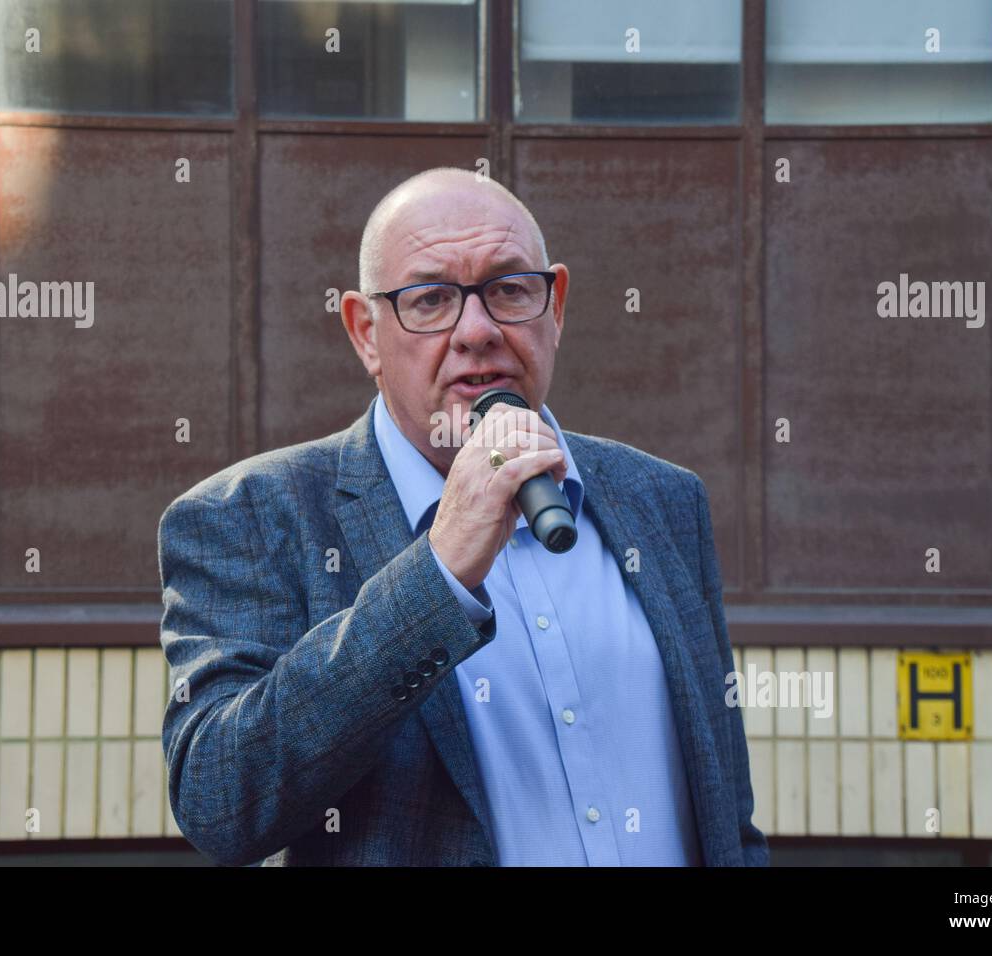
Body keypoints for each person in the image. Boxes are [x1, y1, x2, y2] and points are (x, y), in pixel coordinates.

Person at [158, 166, 767, 867]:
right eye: (431, 299)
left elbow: (729, 817)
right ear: (365, 332)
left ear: (556, 305)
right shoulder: (251, 517)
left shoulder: (664, 501)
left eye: (510, 290)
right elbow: (219, 800)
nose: (477, 330)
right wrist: (439, 570)